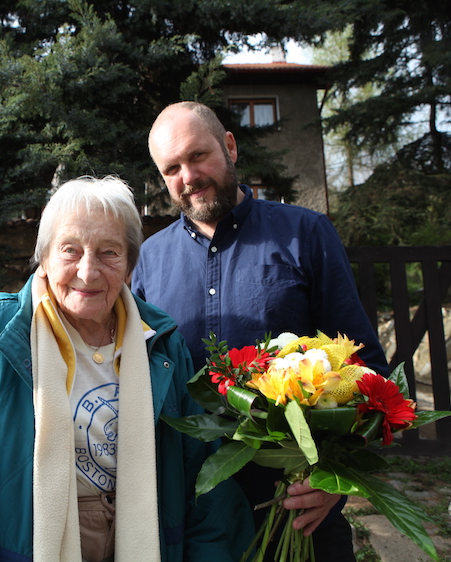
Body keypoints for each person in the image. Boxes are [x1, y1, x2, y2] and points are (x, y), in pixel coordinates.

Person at [0, 176, 254, 561]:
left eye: (109, 252)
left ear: (130, 264)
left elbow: (204, 482)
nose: (88, 271)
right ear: (44, 258)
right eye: (70, 250)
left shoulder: (161, 342)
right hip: (23, 542)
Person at [131, 101, 390, 561]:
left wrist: (336, 478)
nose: (188, 176)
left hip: (297, 514)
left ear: (229, 146)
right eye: (172, 167)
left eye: (197, 156)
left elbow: (367, 370)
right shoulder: (149, 260)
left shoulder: (305, 233)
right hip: (191, 523)